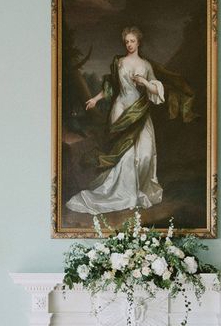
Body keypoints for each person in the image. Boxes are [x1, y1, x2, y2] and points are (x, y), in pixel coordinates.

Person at [66, 26, 165, 215]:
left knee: (145, 153)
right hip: (121, 109)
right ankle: (124, 193)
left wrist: (144, 82)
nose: (129, 44)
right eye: (126, 41)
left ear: (138, 42)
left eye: (132, 41)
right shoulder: (119, 63)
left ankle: (138, 191)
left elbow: (156, 90)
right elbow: (111, 87)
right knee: (125, 156)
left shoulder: (146, 65)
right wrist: (95, 98)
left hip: (139, 110)